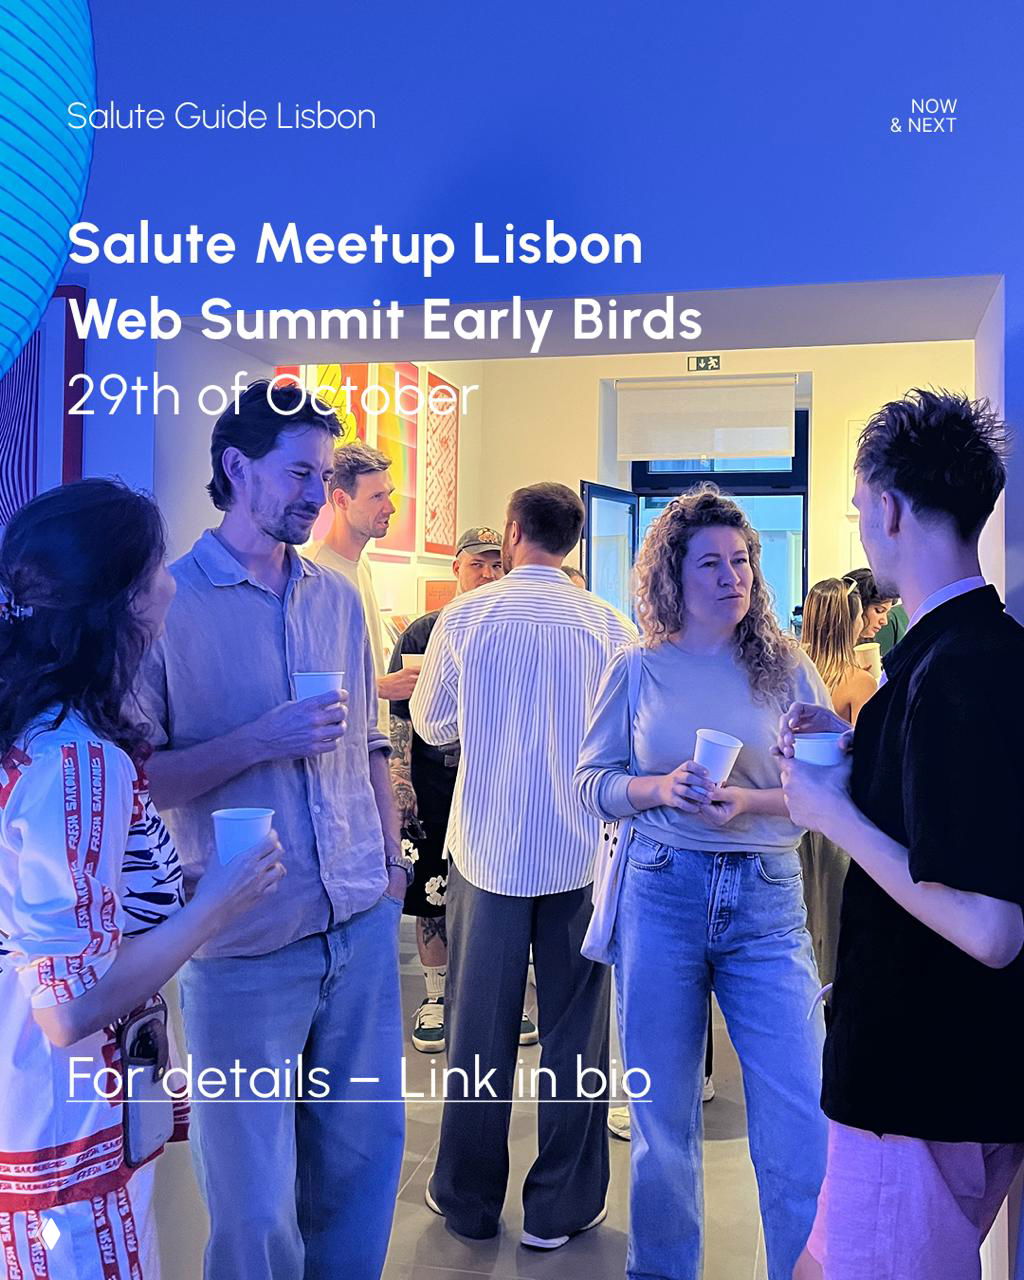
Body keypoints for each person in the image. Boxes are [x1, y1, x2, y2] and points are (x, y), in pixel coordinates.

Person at [136, 381, 407, 1280]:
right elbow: (138, 779)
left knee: (362, 1173)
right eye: (299, 472)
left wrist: (389, 858)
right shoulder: (167, 603)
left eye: (323, 475)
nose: (314, 492)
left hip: (358, 921)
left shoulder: (336, 597)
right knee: (253, 1208)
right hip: (243, 942)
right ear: (235, 467)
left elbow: (370, 738)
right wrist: (259, 739)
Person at [0, 479, 282, 1279]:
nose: (170, 584)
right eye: (158, 568)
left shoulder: (42, 729)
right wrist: (216, 905)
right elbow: (71, 1006)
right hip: (65, 1126)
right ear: (124, 600)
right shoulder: (77, 756)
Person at [780, 389, 1024, 1280]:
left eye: (858, 509)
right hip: (942, 1074)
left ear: (886, 506)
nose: (862, 527)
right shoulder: (972, 653)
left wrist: (834, 814)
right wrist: (861, 761)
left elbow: (991, 926)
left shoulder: (952, 673)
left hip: (921, 1084)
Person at [576, 483, 830, 1280]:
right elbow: (591, 781)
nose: (733, 576)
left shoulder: (788, 668)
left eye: (743, 560)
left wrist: (747, 800)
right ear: (672, 577)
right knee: (660, 1122)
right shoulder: (639, 668)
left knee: (798, 1117)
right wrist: (659, 788)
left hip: (765, 895)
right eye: (712, 563)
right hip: (661, 890)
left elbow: (826, 796)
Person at [411, 482, 637, 1249]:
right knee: (577, 1031)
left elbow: (432, 720)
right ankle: (561, 1208)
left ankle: (468, 1202)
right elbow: (630, 739)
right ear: (573, 540)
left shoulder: (465, 618)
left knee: (479, 1032)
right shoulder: (610, 625)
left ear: (511, 533)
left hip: (488, 849)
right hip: (582, 852)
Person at [388, 525, 537, 1052]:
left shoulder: (510, 626)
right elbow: (399, 716)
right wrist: (400, 782)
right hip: (433, 784)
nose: (489, 573)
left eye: (498, 564)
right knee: (432, 891)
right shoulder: (424, 632)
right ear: (457, 567)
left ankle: (511, 995)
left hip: (496, 786)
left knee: (500, 892)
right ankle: (435, 995)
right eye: (479, 563)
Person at [797, 578, 877, 989]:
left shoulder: (789, 673)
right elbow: (866, 759)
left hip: (791, 815)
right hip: (837, 819)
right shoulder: (858, 682)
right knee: (836, 920)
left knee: (799, 921)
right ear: (850, 621)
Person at [304, 441, 418, 726]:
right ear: (342, 500)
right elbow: (308, 684)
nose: (390, 507)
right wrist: (380, 687)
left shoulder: (362, 564)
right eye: (377, 497)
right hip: (335, 754)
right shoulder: (314, 573)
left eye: (389, 494)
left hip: (367, 744)